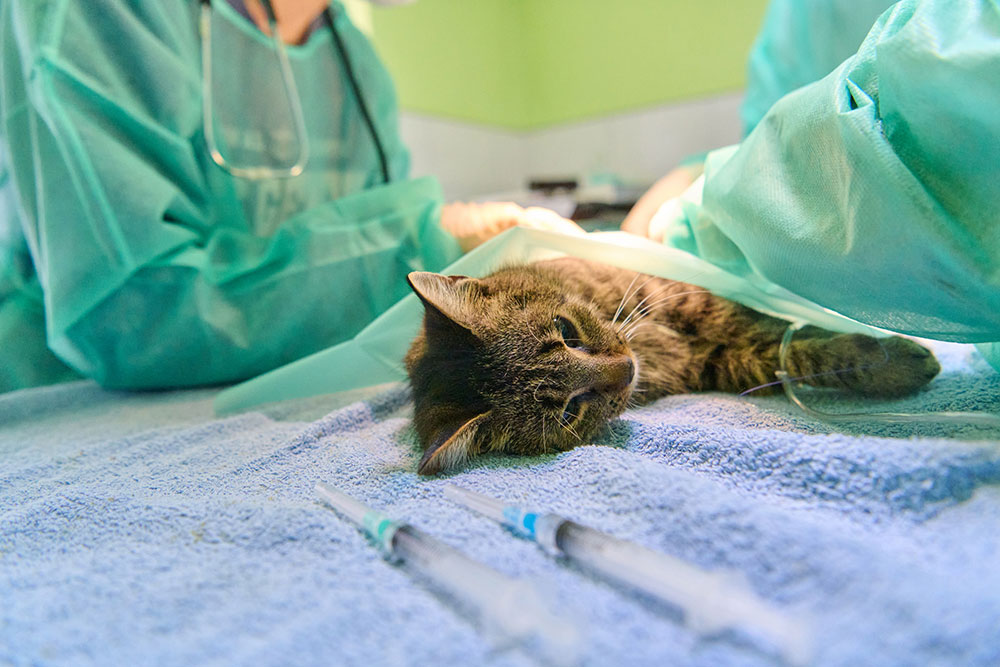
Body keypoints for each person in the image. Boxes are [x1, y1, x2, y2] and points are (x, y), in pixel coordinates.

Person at [0, 0, 578, 393]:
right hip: (80, 417)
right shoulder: (97, 15)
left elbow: (365, 301)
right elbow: (131, 311)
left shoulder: (356, 65)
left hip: (286, 395)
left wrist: (458, 245)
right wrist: (429, 239)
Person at [624, 0, 1000, 366]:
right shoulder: (801, 13)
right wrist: (698, 174)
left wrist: (696, 222)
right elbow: (771, 131)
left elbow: (954, 106)